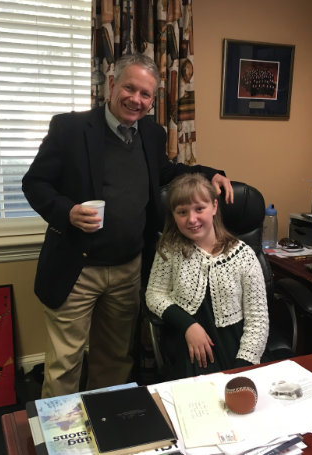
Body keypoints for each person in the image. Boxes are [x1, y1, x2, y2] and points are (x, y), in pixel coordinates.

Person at [22, 53, 233, 398]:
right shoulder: (70, 128)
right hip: (77, 266)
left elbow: (164, 173)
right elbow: (35, 183)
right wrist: (67, 211)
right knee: (65, 363)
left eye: (146, 94)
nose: (137, 99)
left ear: (153, 99)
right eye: (130, 88)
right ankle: (61, 443)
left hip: (128, 268)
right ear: (111, 84)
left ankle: (105, 431)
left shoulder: (151, 132)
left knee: (115, 360)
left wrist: (210, 173)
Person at [145, 174, 269, 379]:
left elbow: (258, 320)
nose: (192, 219)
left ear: (214, 206)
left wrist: (242, 367)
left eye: (199, 209)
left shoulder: (243, 255)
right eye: (182, 212)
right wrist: (188, 325)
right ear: (174, 216)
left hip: (239, 351)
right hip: (194, 353)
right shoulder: (170, 251)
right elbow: (154, 294)